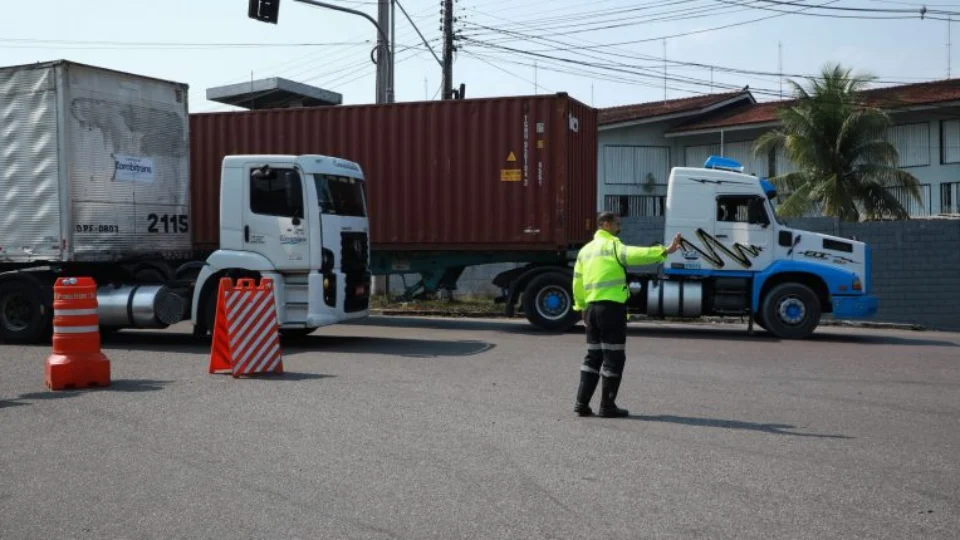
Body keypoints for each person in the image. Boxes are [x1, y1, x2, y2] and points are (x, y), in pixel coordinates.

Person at [572, 212, 682, 418]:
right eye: (616, 223)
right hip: (611, 309)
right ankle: (607, 406)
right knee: (613, 357)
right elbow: (637, 255)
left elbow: (577, 282)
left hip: (593, 310)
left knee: (593, 356)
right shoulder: (613, 246)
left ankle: (581, 403)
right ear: (604, 224)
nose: (619, 226)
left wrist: (581, 307)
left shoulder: (584, 251)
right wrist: (665, 251)